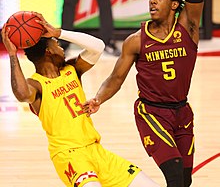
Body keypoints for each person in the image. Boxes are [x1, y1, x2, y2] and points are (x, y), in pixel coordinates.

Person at [83, 0, 204, 187]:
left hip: (182, 111)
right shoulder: (136, 40)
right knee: (173, 175)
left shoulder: (188, 28)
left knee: (184, 180)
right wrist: (98, 99)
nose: (152, 2)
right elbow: (116, 78)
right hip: (151, 112)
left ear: (174, 5)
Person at [1, 12, 159, 187]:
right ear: (48, 52)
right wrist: (13, 55)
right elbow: (22, 94)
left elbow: (98, 46)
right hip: (69, 156)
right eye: (57, 45)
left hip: (96, 151)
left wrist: (58, 33)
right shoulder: (36, 85)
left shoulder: (72, 69)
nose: (62, 48)